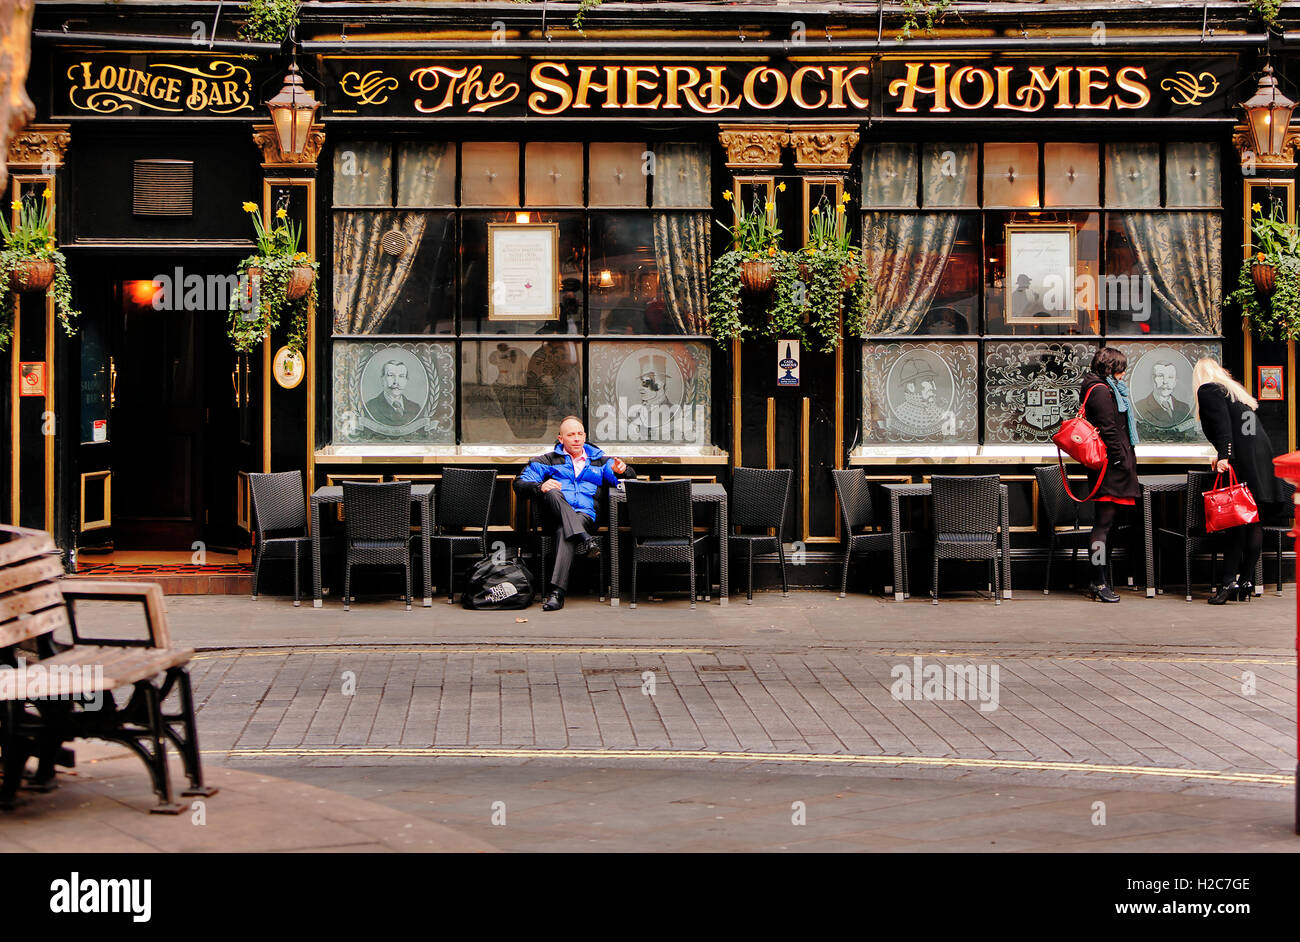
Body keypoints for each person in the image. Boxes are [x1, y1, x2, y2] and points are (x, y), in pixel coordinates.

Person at [515, 416, 635, 611]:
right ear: (561, 439)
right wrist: (540, 487)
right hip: (554, 515)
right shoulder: (547, 461)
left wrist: (624, 470)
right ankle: (586, 540)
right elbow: (519, 484)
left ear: (585, 436)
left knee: (566, 530)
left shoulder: (599, 461)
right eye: (571, 435)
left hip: (586, 516)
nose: (577, 438)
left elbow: (626, 480)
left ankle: (557, 594)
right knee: (553, 492)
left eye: (580, 434)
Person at [1193, 358, 1280, 604]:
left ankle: (1229, 582)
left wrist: (1223, 456)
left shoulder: (1207, 389)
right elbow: (1244, 428)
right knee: (1252, 520)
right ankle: (1247, 581)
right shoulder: (1234, 392)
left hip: (1243, 461)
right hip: (1261, 459)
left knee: (1235, 522)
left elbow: (1223, 428)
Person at [1079, 346, 1139, 603]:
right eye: (1121, 369)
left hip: (1112, 465)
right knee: (1103, 525)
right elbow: (1109, 430)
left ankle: (1102, 577)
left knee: (1108, 524)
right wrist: (1121, 460)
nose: (1124, 374)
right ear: (1110, 368)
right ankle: (1098, 580)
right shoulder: (1102, 391)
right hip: (1111, 467)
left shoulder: (1102, 387)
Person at [1136, 360, 1192, 429]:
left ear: (1175, 382)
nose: (1165, 382)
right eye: (1160, 376)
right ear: (1152, 380)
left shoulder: (1184, 408)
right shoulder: (1140, 407)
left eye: (1170, 377)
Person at [365, 360, 422, 426]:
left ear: (406, 380)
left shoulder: (416, 408)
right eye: (391, 375)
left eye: (401, 376)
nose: (396, 382)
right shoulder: (370, 407)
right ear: (382, 379)